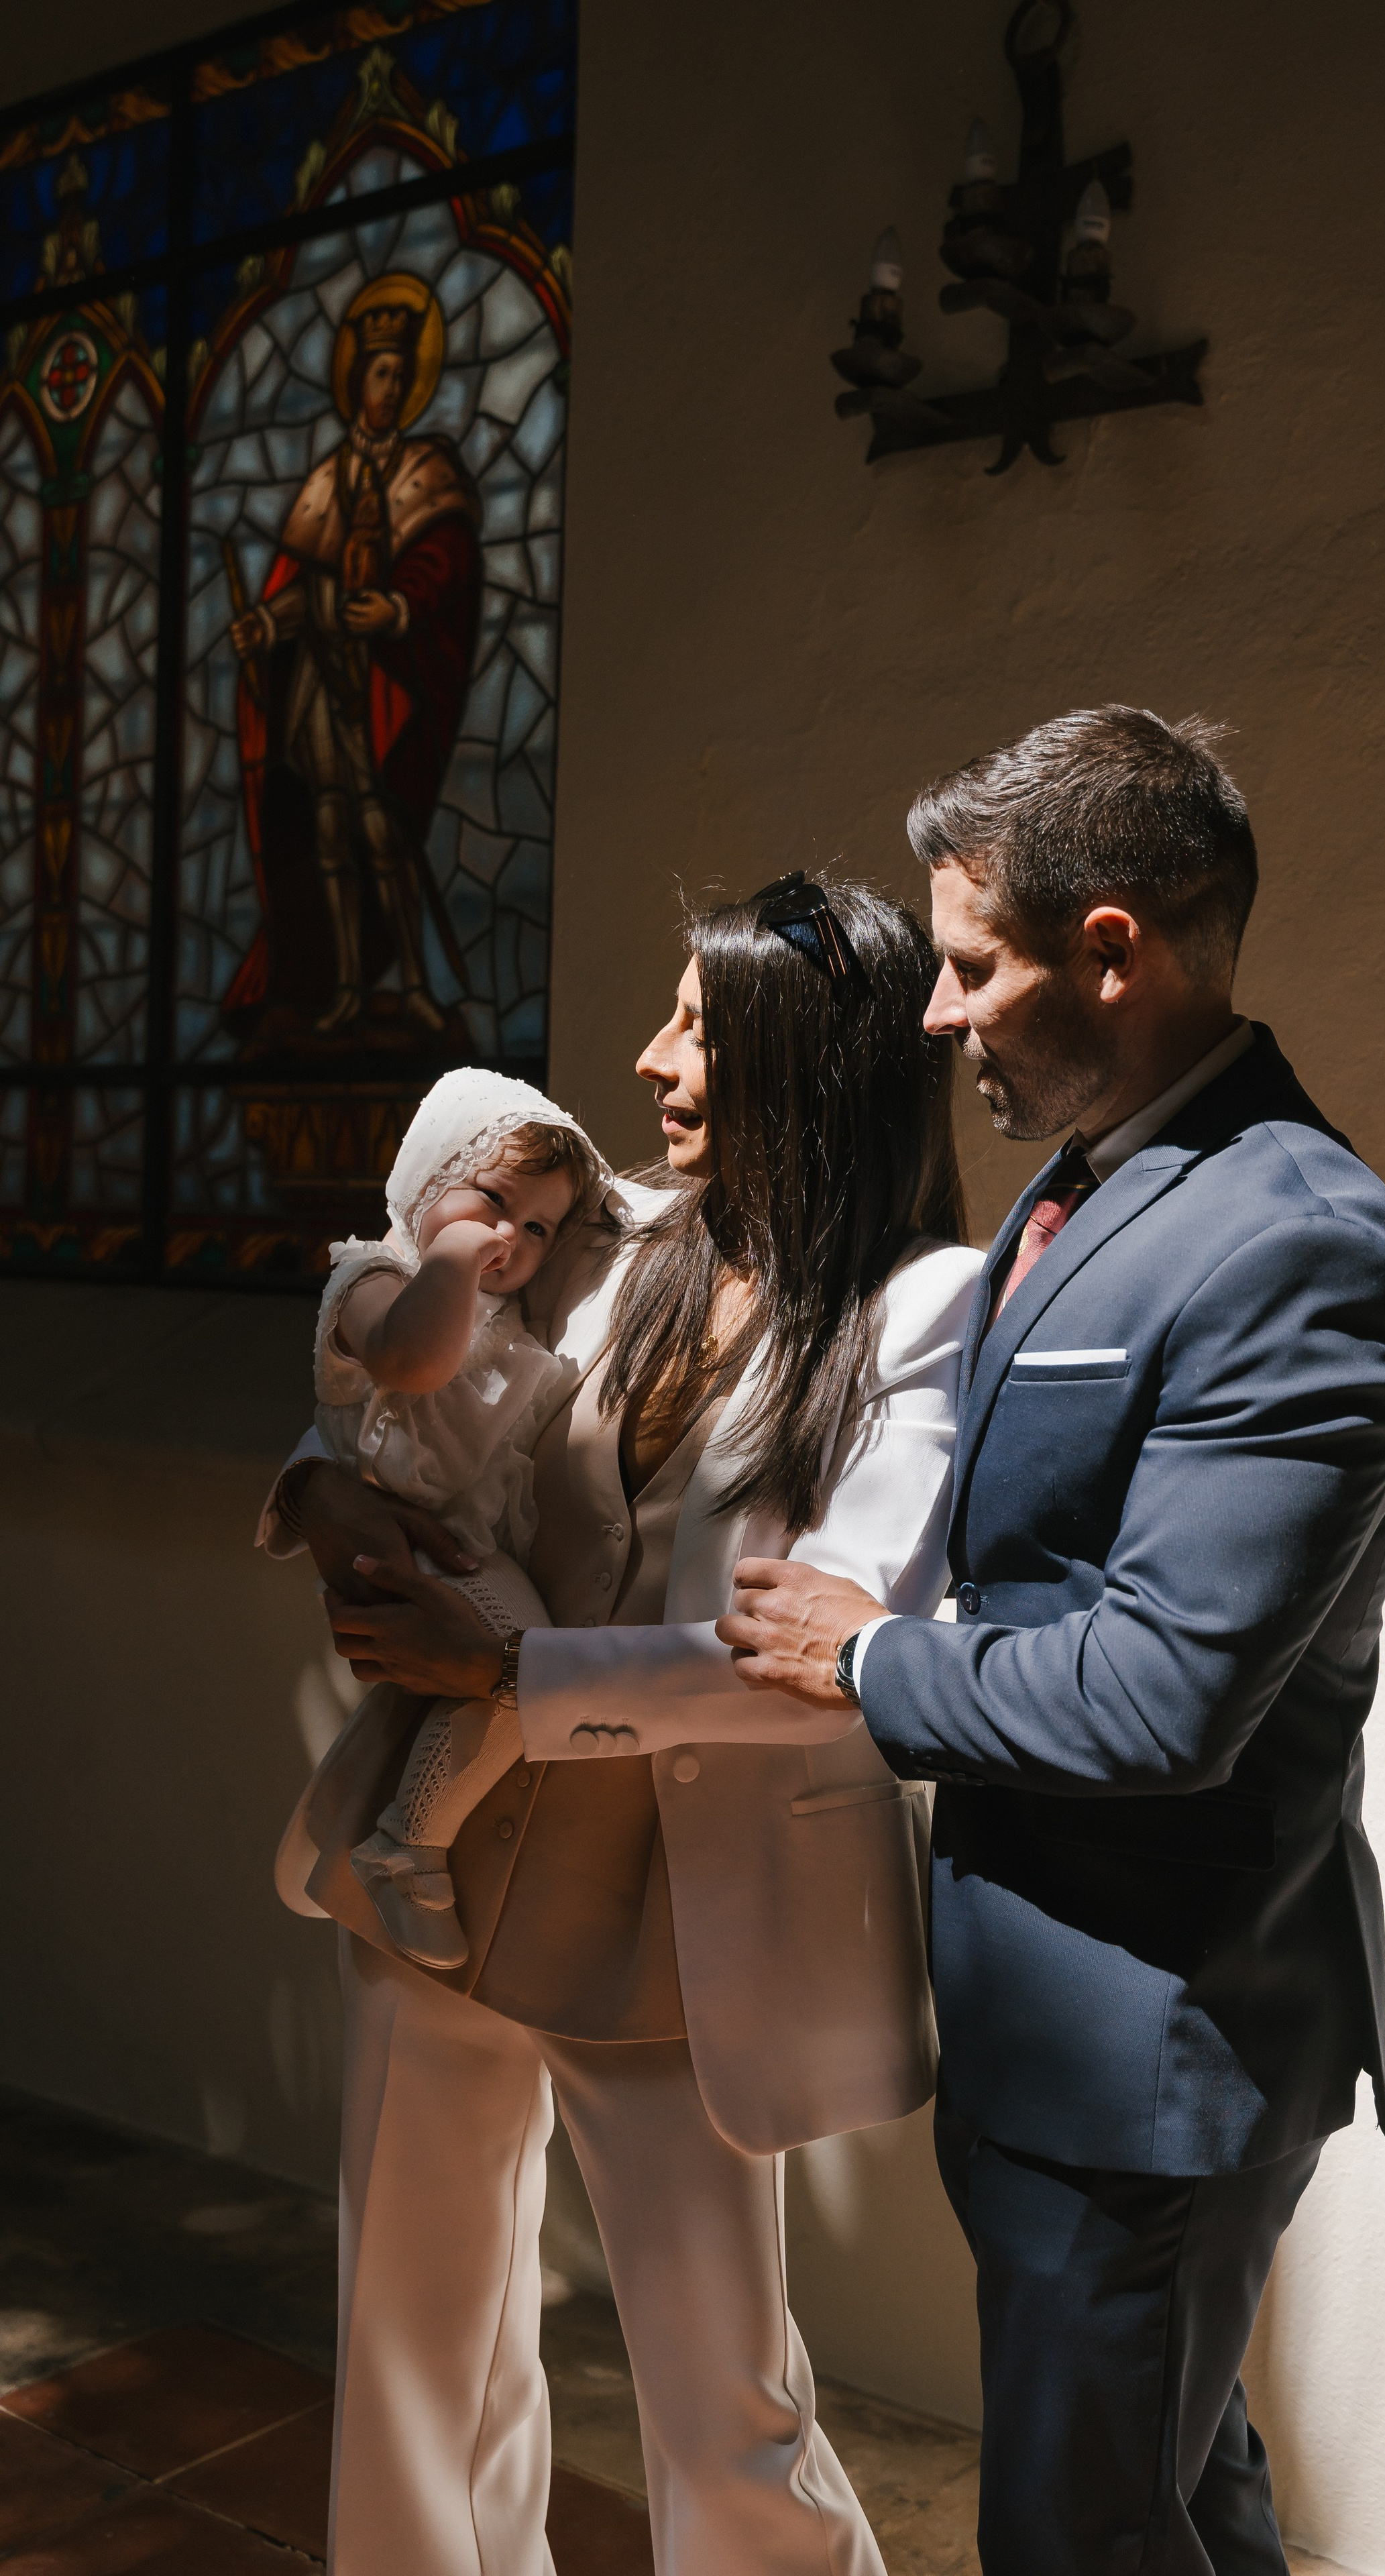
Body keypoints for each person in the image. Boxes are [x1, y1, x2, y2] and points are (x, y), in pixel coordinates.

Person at [716, 710, 1385, 2576]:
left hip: (1158, 2040)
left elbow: (1163, 1694)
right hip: (1044, 2011)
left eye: (972, 967)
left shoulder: (1300, 1241)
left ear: (1110, 950)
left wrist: (870, 1659)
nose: (941, 1017)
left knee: (1073, 2539)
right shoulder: (1090, 1171)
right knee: (1173, 2493)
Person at [265, 874, 984, 2576]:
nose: (652, 1058)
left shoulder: (922, 1306)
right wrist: (320, 1496)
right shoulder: (618, 1234)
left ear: (804, 1064)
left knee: (724, 2400)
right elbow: (403, 1370)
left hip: (685, 1914)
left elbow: (815, 1648)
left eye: (699, 1028)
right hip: (440, 1865)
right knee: (409, 2352)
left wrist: (512, 1675)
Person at [310, 1067, 602, 1970]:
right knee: (525, 1669)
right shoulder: (373, 1274)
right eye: (491, 1200)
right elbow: (412, 1362)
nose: (508, 1236)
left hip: (464, 1544)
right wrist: (450, 1256)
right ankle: (407, 1844)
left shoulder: (498, 1311)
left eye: (538, 1227)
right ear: (431, 1176)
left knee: (521, 1677)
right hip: (404, 1535)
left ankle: (413, 1838)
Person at [225, 273, 479, 1042]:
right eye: (380, 374)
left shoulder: (424, 469)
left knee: (382, 830)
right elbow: (298, 585)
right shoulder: (327, 480)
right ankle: (343, 986)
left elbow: (446, 563)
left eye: (403, 375)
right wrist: (266, 627)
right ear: (354, 381)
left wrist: (398, 608)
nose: (392, 388)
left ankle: (410, 982)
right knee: (332, 827)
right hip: (319, 684)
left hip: (380, 687)